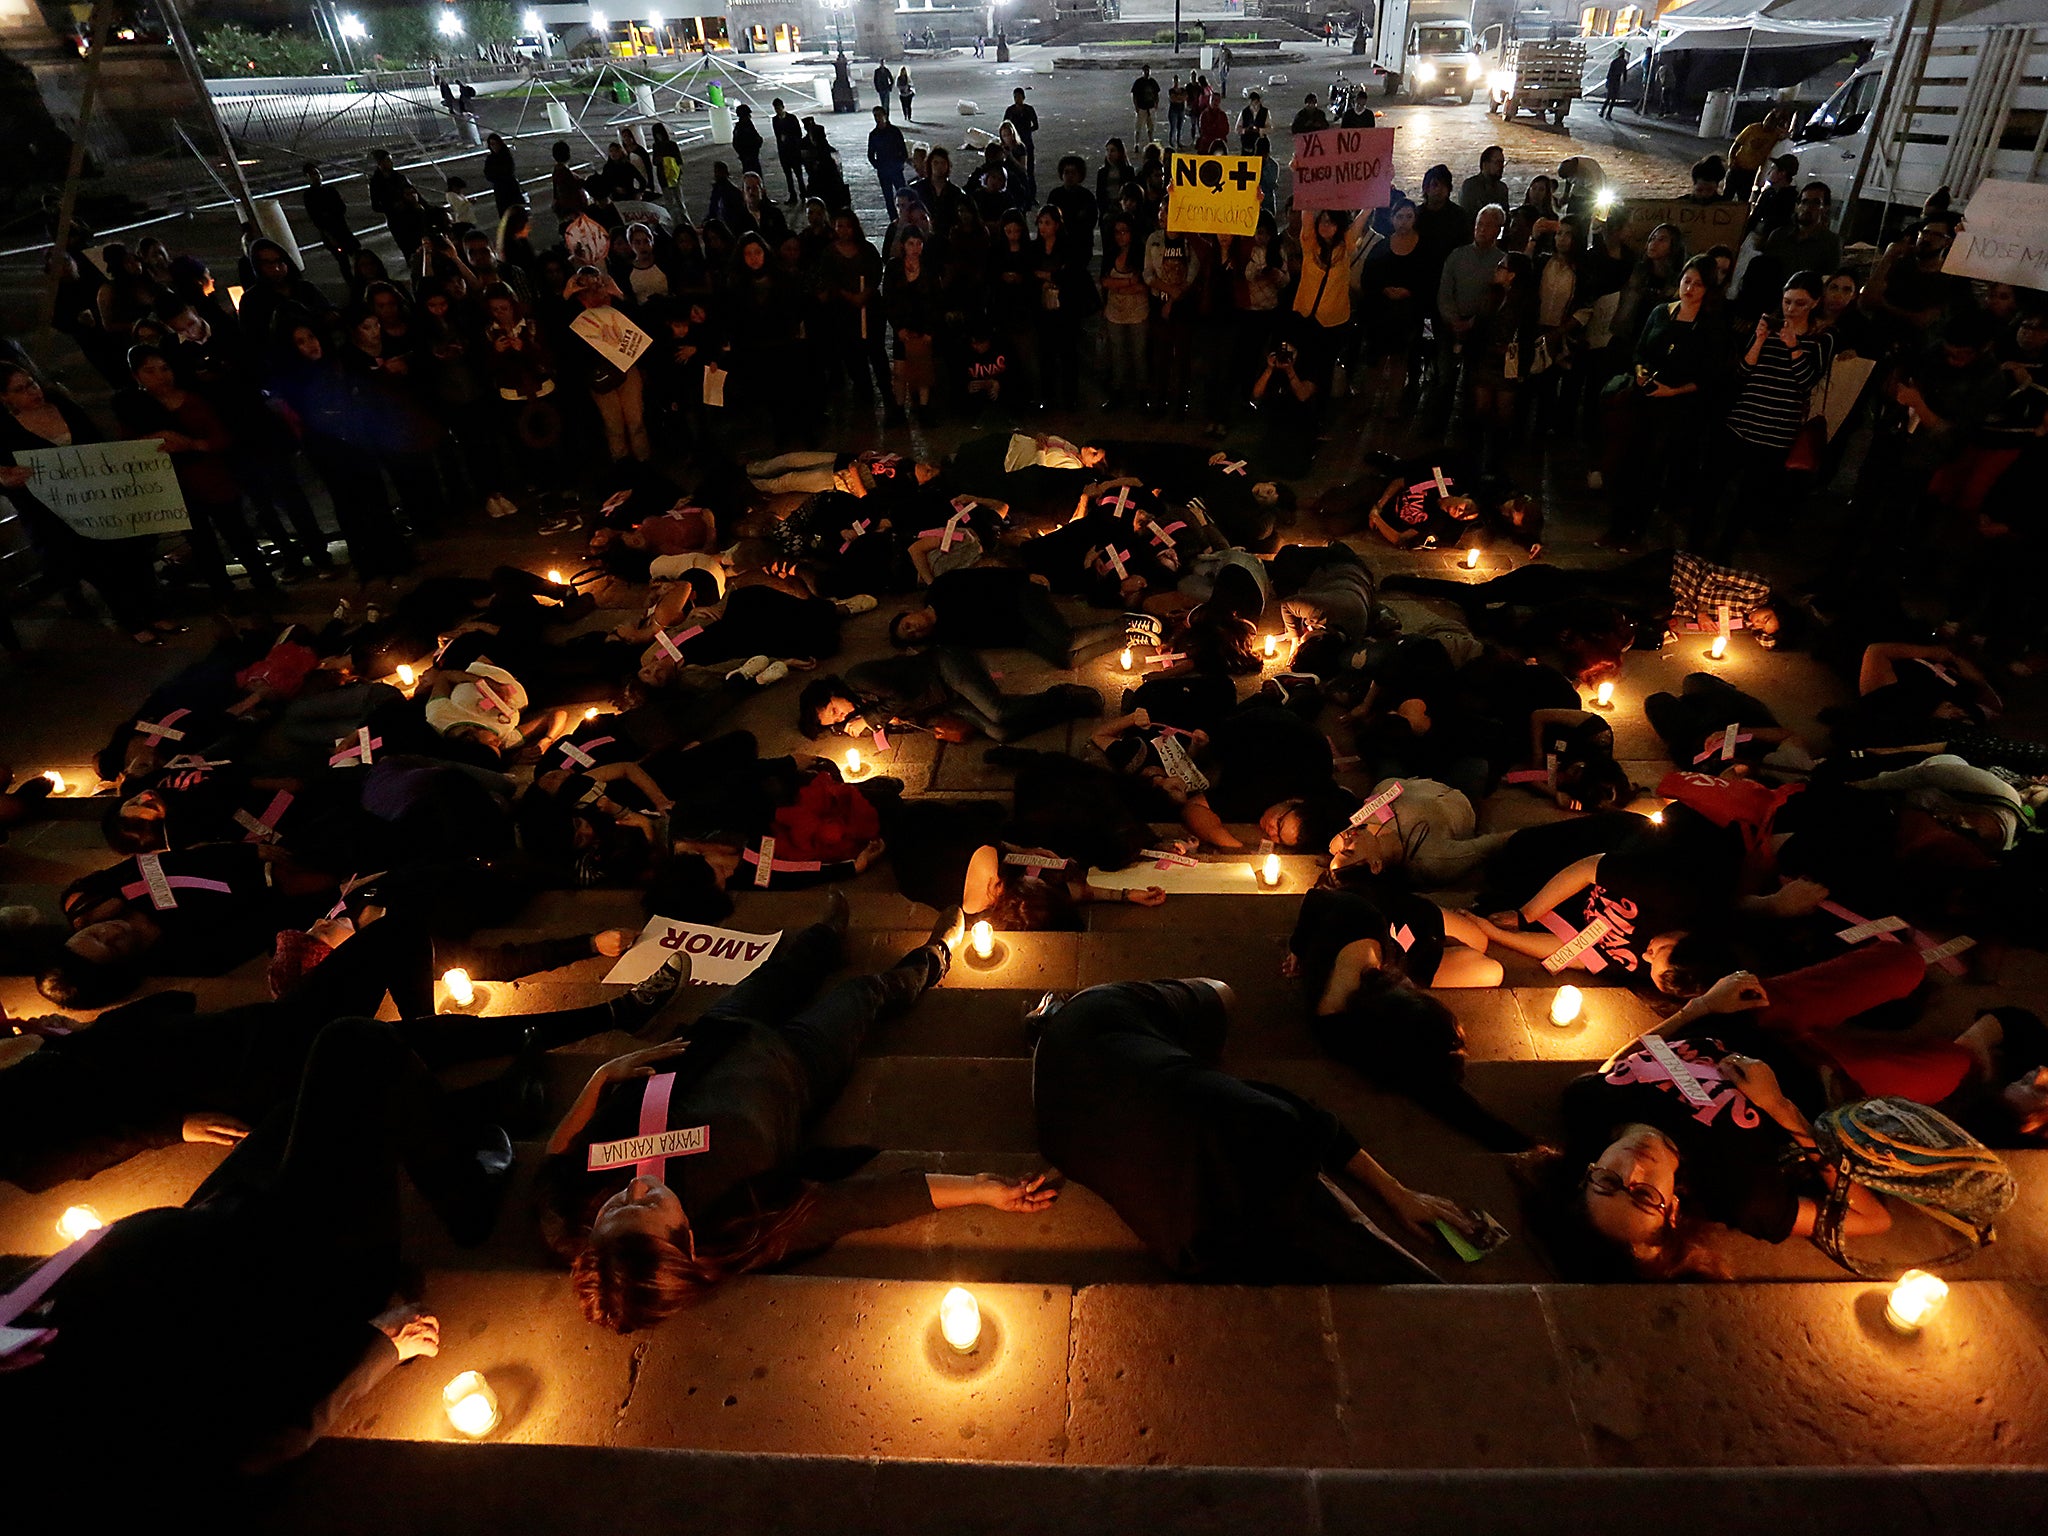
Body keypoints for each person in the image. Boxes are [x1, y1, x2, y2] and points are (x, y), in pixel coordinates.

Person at [542, 903, 1056, 1332]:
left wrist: (601, 1079)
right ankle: (935, 957)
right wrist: (980, 1188)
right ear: (686, 1237)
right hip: (796, 1067)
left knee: (784, 971)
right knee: (862, 995)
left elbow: (555, 1161)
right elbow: (860, 1204)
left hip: (714, 1039)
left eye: (614, 1209)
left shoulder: (573, 1223)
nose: (631, 1189)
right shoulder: (745, 1223)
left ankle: (829, 933)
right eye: (648, 1203)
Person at [1032, 979, 1477, 1280]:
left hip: (1174, 1227)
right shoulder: (1138, 1020)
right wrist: (1395, 1192)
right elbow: (1304, 1118)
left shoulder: (1080, 1058)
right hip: (1190, 1118)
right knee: (1333, 1214)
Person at [1521, 970, 1894, 1280]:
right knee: (1946, 1060)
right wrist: (1781, 1107)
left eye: (1608, 1181)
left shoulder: (1586, 1107)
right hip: (1828, 1074)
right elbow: (1872, 1219)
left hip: (1752, 1015)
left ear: (1589, 1173)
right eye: (1644, 1195)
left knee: (1897, 963)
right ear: (1672, 1208)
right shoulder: (1740, 1194)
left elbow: (1614, 1069)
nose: (1633, 1168)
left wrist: (1701, 1006)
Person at [0, 363, 166, 644]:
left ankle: (154, 611)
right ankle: (132, 621)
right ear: (4, 398)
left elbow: (97, 445)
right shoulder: (3, 430)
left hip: (98, 499)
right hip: (55, 514)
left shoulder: (63, 406)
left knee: (131, 555)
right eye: (20, 389)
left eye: (31, 383)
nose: (32, 391)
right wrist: (7, 479)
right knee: (100, 567)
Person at [867, 105, 909, 212]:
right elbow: (870, 154)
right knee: (888, 197)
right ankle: (894, 219)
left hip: (895, 168)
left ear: (885, 116)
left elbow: (903, 149)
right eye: (875, 116)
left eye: (879, 115)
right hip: (884, 169)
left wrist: (900, 162)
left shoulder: (894, 131)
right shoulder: (874, 135)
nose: (877, 118)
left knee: (903, 195)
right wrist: (878, 166)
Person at [770, 98, 806, 203]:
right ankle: (793, 195)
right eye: (776, 109)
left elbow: (798, 134)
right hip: (783, 151)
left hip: (793, 150)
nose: (777, 110)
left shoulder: (792, 118)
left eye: (779, 108)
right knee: (788, 176)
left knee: (798, 174)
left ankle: (803, 194)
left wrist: (788, 138)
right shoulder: (775, 120)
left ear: (782, 107)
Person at [1458, 146, 1509, 217]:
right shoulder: (1471, 186)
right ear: (1485, 164)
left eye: (1502, 163)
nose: (1501, 167)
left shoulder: (1502, 189)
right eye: (1497, 162)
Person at [1004, 87, 1039, 178]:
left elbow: (1036, 125)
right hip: (1015, 143)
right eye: (1015, 97)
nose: (1017, 99)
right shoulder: (1010, 110)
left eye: (1019, 97)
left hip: (1027, 142)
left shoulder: (1029, 110)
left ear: (1023, 97)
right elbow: (1005, 125)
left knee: (1029, 168)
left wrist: (1026, 131)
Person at [732, 102, 765, 182]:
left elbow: (735, 144)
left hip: (746, 157)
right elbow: (756, 139)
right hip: (751, 157)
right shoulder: (746, 126)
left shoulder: (740, 126)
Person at [1132, 64, 1160, 142]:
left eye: (1148, 71)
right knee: (1138, 127)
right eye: (1145, 71)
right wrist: (1136, 107)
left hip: (1150, 108)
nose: (1147, 72)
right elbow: (1134, 95)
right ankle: (1136, 143)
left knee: (1151, 127)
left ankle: (1151, 141)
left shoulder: (1152, 82)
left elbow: (1156, 94)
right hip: (1141, 108)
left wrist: (1156, 105)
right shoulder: (1138, 82)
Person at [1600, 46, 1628, 118]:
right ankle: (1605, 113)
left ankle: (1604, 112)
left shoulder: (1616, 61)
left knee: (1611, 98)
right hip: (1614, 81)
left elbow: (1623, 72)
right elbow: (1624, 72)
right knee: (1611, 98)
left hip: (1614, 81)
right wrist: (1624, 81)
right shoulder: (1620, 62)